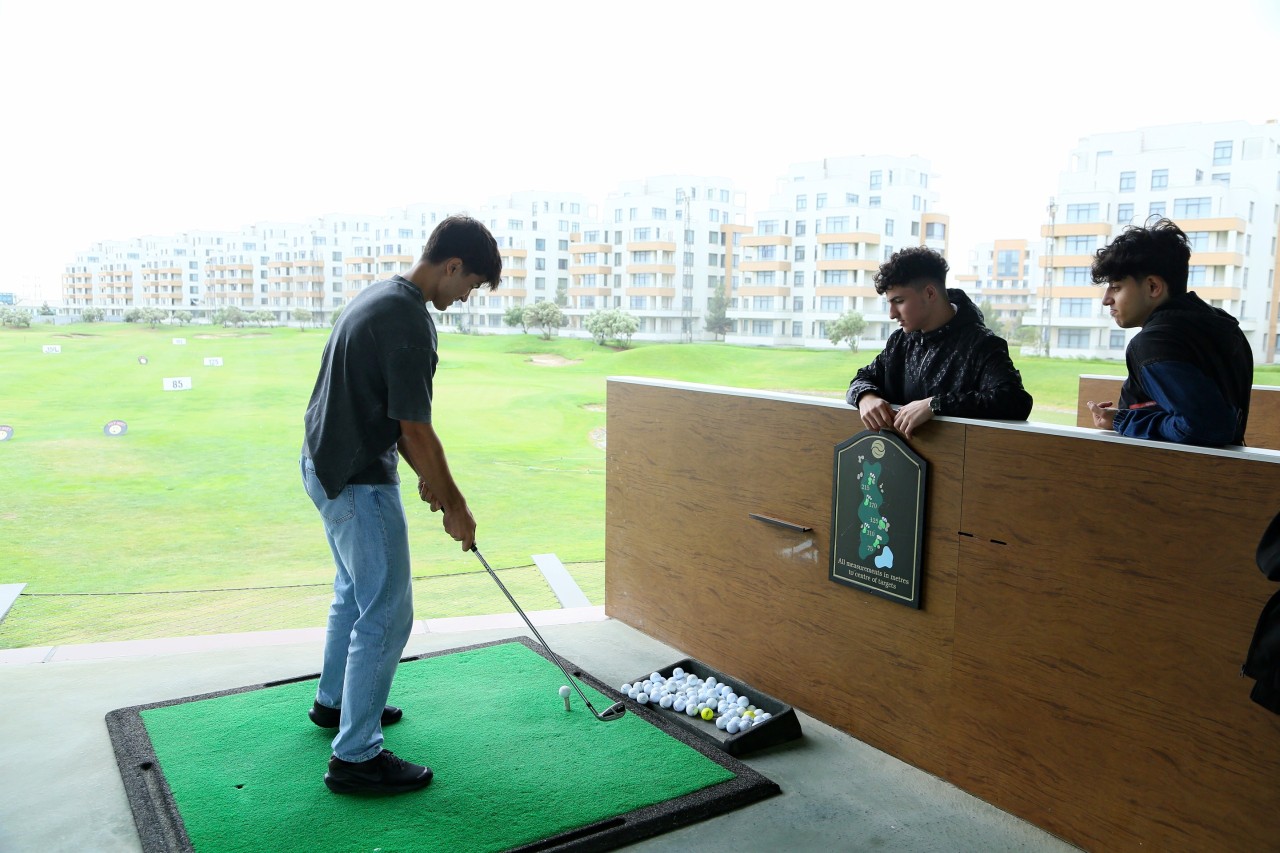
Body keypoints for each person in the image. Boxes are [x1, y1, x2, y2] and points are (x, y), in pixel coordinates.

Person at [300, 215, 501, 794]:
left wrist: (430, 482)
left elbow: (389, 417)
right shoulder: (410, 320)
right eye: (470, 285)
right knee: (387, 613)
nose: (466, 298)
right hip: (357, 478)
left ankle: (335, 703)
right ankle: (356, 757)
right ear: (452, 265)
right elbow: (414, 427)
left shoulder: (382, 294)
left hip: (325, 463)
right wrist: (455, 504)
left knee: (354, 597)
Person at [1085, 218, 1252, 446]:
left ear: (1153, 286)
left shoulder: (1153, 344)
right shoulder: (1221, 325)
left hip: (1175, 476)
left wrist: (1124, 421)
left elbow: (1205, 426)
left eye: (1116, 286)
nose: (1106, 300)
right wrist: (1121, 417)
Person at [846, 246, 1033, 438]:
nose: (892, 314)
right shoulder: (900, 341)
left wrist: (934, 404)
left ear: (929, 293)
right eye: (890, 303)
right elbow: (862, 378)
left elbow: (1014, 400)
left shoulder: (982, 345)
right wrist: (865, 397)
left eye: (899, 301)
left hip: (956, 463)